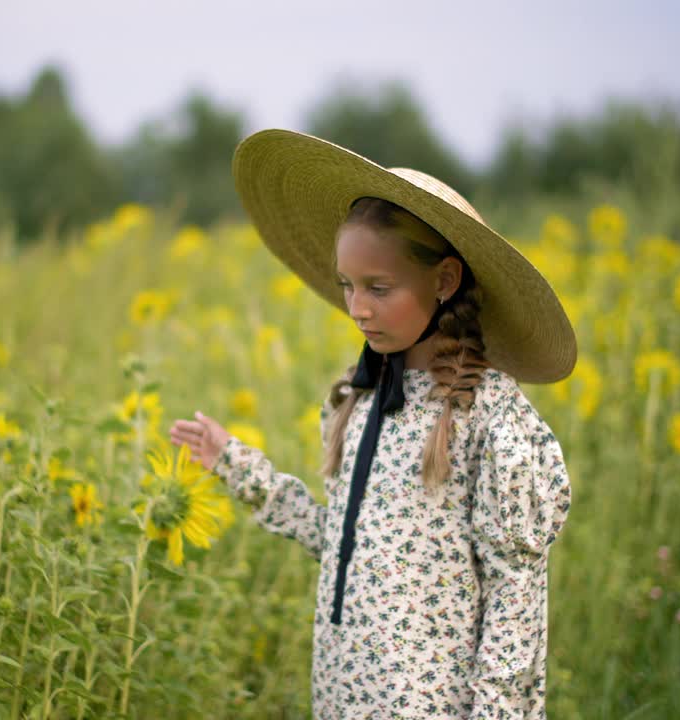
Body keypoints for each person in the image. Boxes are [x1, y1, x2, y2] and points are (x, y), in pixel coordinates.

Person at [169, 129, 576, 719]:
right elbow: (343, 545)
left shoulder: (487, 415)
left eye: (379, 288)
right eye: (348, 285)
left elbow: (516, 602)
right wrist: (239, 465)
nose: (357, 307)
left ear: (444, 281)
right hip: (342, 696)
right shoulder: (354, 399)